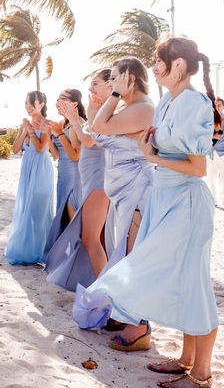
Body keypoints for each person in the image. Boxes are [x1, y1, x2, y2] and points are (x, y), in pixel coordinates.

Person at [74, 38, 218, 388]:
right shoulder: (169, 100)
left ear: (179, 65)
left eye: (159, 61)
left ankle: (202, 371)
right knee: (183, 281)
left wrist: (151, 156)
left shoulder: (194, 103)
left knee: (193, 283)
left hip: (186, 201)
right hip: (165, 198)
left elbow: (197, 167)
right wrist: (151, 147)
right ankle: (185, 360)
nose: (153, 68)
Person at [72, 58, 155, 333]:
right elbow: (97, 128)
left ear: (129, 78)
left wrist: (114, 95)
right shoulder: (130, 108)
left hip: (137, 190)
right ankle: (124, 312)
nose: (112, 83)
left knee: (133, 256)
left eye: (117, 78)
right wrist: (103, 101)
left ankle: (139, 327)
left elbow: (99, 129)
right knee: (124, 253)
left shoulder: (142, 109)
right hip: (122, 193)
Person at [45, 70, 113, 289]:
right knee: (90, 236)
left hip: (95, 179)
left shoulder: (101, 116)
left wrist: (68, 126)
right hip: (87, 178)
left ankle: (105, 288)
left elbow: (81, 148)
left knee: (92, 237)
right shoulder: (94, 114)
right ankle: (100, 284)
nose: (90, 89)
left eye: (95, 84)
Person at [4, 91, 55, 265]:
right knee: (26, 210)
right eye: (26, 103)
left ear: (41, 104)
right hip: (27, 169)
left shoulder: (47, 123)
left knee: (39, 211)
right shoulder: (24, 124)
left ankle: (42, 253)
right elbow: (15, 149)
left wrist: (31, 131)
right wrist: (23, 131)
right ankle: (26, 252)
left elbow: (41, 148)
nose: (28, 106)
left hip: (41, 170)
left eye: (32, 103)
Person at [43, 89, 84, 254]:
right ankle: (65, 255)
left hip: (75, 174)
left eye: (63, 99)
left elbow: (75, 155)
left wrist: (59, 133)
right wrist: (49, 136)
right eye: (57, 99)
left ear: (74, 103)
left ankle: (76, 256)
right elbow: (56, 155)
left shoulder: (78, 123)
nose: (57, 102)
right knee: (63, 216)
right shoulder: (62, 123)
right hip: (62, 174)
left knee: (73, 216)